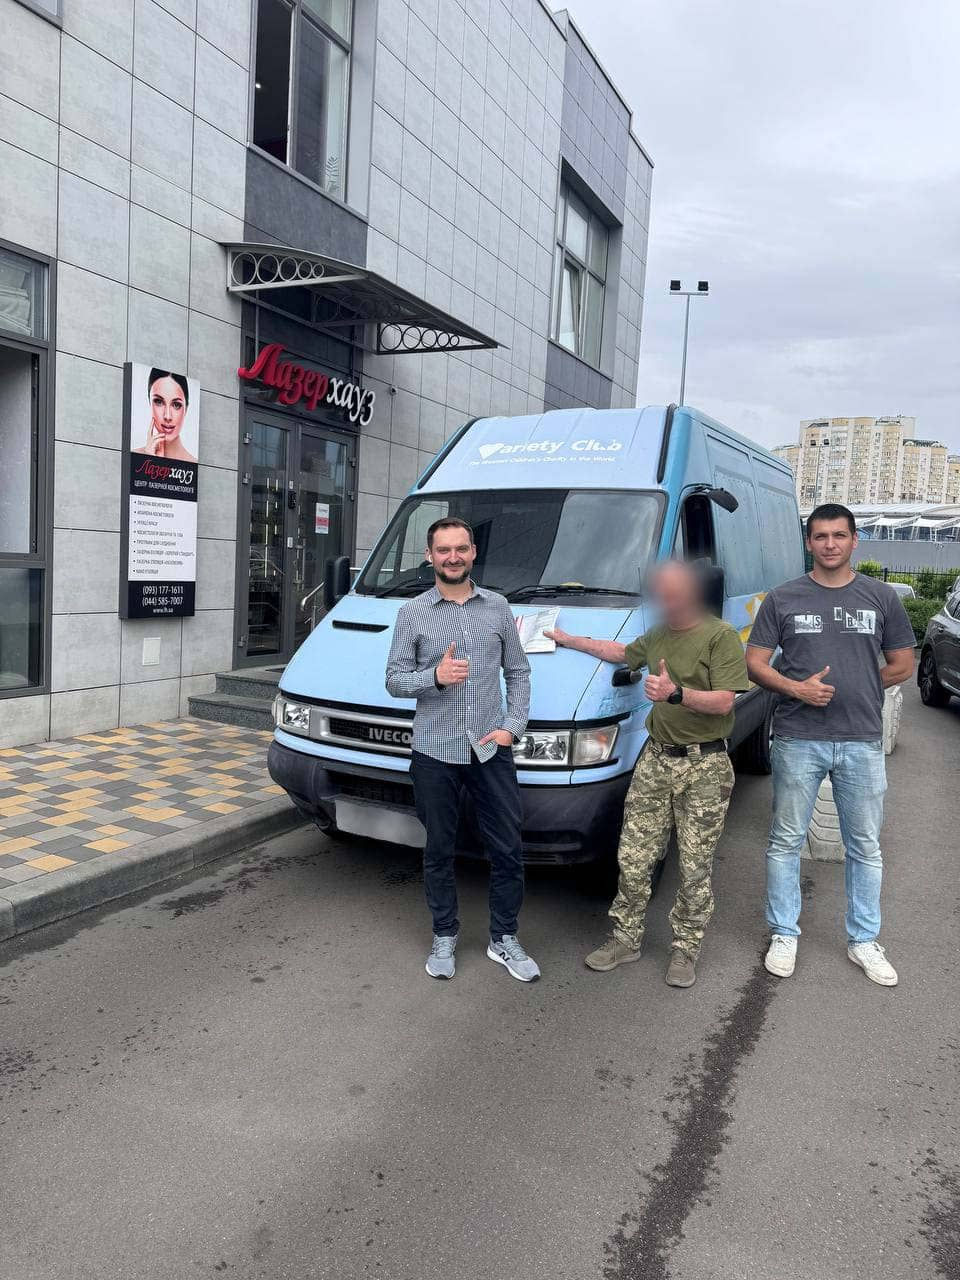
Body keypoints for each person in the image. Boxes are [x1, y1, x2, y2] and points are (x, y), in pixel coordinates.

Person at [546, 560, 750, 987]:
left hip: (704, 765)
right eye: (662, 592)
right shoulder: (658, 634)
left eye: (675, 592)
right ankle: (626, 939)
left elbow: (724, 702)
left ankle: (685, 948)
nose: (667, 600)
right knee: (634, 856)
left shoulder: (720, 636)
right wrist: (567, 639)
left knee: (694, 865)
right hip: (656, 760)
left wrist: (675, 694)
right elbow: (620, 652)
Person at [746, 503, 915, 986]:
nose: (830, 544)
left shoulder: (880, 597)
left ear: (854, 540)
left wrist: (861, 684)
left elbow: (903, 664)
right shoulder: (783, 598)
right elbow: (755, 663)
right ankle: (784, 933)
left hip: (861, 739)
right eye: (820, 536)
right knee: (786, 841)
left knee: (864, 846)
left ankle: (864, 940)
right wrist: (796, 689)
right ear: (809, 543)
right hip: (798, 737)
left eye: (839, 535)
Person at [385, 517, 538, 983]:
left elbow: (519, 671)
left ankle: (504, 938)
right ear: (429, 556)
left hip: (490, 749)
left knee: (507, 849)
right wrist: (434, 677)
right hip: (434, 751)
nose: (453, 557)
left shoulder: (497, 607)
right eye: (443, 550)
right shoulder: (412, 612)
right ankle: (444, 934)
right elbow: (393, 680)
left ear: (473, 553)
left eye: (461, 549)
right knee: (439, 849)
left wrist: (512, 727)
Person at [135, 368, 197, 462]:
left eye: (176, 405)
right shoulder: (134, 456)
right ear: (150, 403)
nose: (167, 416)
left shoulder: (193, 464)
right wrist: (150, 459)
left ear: (186, 409)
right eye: (159, 402)